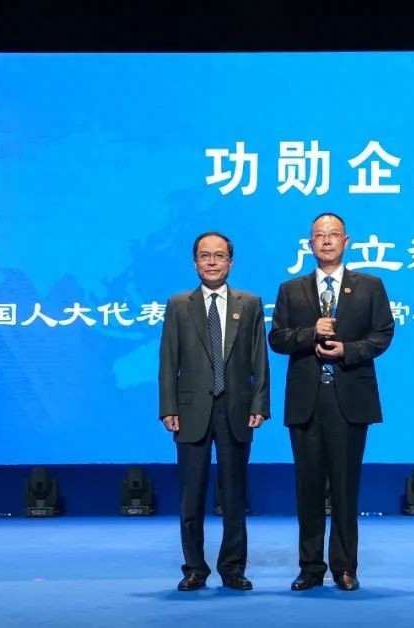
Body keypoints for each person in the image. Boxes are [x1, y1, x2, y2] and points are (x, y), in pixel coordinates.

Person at [268, 212, 395, 592]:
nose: (326, 241)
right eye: (319, 235)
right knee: (307, 488)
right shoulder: (291, 289)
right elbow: (277, 338)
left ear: (346, 241)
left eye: (333, 234)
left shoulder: (369, 286)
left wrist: (347, 350)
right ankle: (310, 567)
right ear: (310, 244)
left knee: (344, 487)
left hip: (350, 399)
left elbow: (383, 334)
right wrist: (311, 333)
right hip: (306, 401)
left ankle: (345, 567)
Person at [158, 231, 270, 592]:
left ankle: (233, 568)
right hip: (190, 410)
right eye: (205, 256)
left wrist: (260, 403)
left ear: (230, 263)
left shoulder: (249, 303)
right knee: (191, 496)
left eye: (219, 256)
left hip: (236, 409)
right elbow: (168, 361)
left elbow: (259, 359)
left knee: (234, 495)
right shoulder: (179, 305)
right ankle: (194, 568)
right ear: (195, 263)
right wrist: (168, 406)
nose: (212, 262)